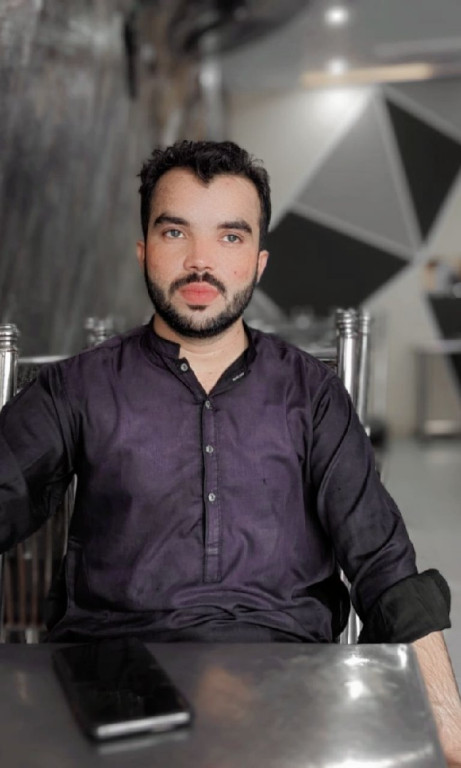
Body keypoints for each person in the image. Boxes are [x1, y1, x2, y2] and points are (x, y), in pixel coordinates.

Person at [0, 140, 460, 763]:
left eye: (230, 236)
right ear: (143, 249)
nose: (200, 261)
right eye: (175, 232)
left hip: (290, 686)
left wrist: (449, 731)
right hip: (114, 689)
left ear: (259, 261)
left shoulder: (312, 394)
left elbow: (384, 565)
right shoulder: (77, 388)